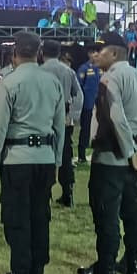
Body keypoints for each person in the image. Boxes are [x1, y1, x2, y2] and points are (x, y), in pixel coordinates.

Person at [0, 31, 66, 274]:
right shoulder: (52, 82)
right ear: (39, 53)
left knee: (17, 218)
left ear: (14, 54)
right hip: (45, 158)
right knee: (40, 216)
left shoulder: (9, 82)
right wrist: (57, 160)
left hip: (18, 159)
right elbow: (59, 127)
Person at [79, 38, 137, 274]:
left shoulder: (109, 79)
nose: (96, 55)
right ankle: (132, 262)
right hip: (134, 156)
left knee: (107, 214)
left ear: (113, 53)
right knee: (132, 212)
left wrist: (129, 152)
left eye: (100, 50)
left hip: (112, 156)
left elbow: (116, 118)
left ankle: (106, 267)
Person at [39, 40, 83, 206]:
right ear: (59, 54)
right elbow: (79, 95)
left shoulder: (39, 71)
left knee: (44, 154)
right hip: (64, 116)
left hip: (44, 117)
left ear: (42, 53)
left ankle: (45, 192)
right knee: (65, 155)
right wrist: (72, 115)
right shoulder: (68, 71)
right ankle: (67, 193)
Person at [75, 45, 102, 165]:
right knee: (85, 129)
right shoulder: (84, 68)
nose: (96, 55)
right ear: (89, 54)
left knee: (100, 129)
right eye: (93, 52)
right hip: (87, 104)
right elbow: (78, 87)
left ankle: (98, 153)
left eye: (97, 52)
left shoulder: (101, 68)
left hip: (100, 105)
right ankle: (82, 155)